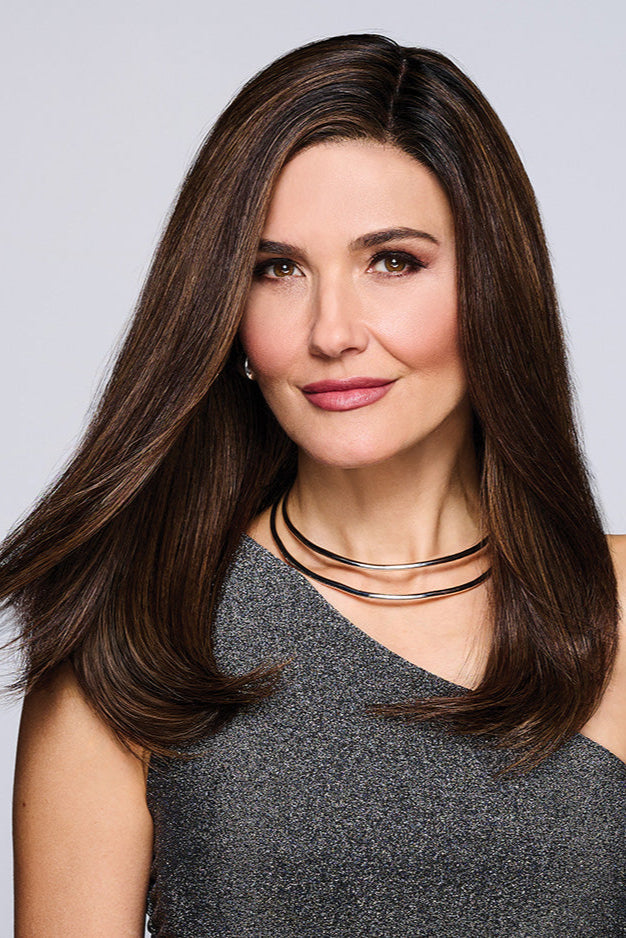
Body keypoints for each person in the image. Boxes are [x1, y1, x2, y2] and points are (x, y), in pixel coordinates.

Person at [3, 32, 625, 937]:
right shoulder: (134, 630)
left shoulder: (617, 608)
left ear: (492, 287)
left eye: (393, 261)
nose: (333, 331)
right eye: (278, 269)